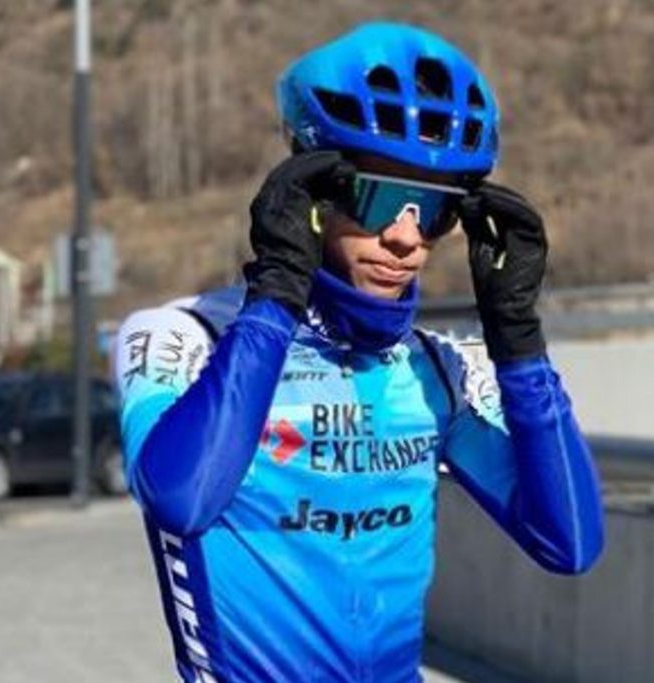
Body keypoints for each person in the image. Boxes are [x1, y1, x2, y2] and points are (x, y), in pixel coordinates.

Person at [114, 21, 604, 683]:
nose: (406, 237)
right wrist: (277, 295)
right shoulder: (183, 337)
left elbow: (570, 541)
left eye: (434, 208)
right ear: (309, 193)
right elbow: (182, 498)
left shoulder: (437, 369)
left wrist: (517, 339)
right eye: (383, 197)